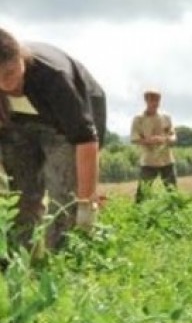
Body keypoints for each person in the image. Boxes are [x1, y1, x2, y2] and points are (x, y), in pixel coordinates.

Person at [0, 28, 106, 252]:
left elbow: (85, 140)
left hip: (66, 126)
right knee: (20, 193)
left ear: (21, 57)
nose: (5, 85)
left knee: (63, 191)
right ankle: (18, 257)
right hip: (19, 124)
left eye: (10, 73)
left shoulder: (53, 77)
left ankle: (62, 256)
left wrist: (86, 202)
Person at [130, 89, 177, 202]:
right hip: (148, 161)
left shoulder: (166, 118)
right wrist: (149, 141)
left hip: (167, 160)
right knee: (142, 194)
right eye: (151, 100)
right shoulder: (139, 119)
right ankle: (138, 216)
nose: (154, 103)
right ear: (146, 101)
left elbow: (174, 137)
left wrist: (164, 139)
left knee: (173, 192)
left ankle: (175, 213)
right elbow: (134, 139)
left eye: (156, 100)